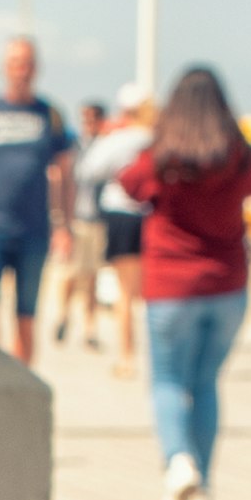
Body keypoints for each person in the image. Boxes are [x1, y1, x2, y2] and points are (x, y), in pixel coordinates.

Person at [116, 66, 251, 500]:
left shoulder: (163, 156)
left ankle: (178, 462)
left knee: (167, 380)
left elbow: (129, 183)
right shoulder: (238, 155)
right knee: (205, 383)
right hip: (227, 283)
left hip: (170, 283)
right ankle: (200, 487)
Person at [0, 37, 80, 364]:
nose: (21, 70)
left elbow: (64, 175)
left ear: (37, 68)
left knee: (26, 316)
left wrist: (64, 226)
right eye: (15, 62)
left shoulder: (50, 114)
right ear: (4, 67)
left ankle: (21, 385)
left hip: (34, 228)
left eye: (27, 63)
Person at [78, 90, 155, 365]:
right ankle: (152, 352)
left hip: (121, 214)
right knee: (147, 291)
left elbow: (87, 171)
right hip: (151, 215)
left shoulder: (118, 139)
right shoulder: (158, 138)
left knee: (125, 290)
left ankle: (127, 353)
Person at [53, 101, 113, 349]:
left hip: (98, 220)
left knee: (92, 277)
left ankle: (90, 327)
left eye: (91, 119)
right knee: (71, 274)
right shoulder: (73, 147)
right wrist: (61, 220)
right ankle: (64, 316)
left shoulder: (107, 148)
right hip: (75, 219)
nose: (87, 124)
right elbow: (61, 180)